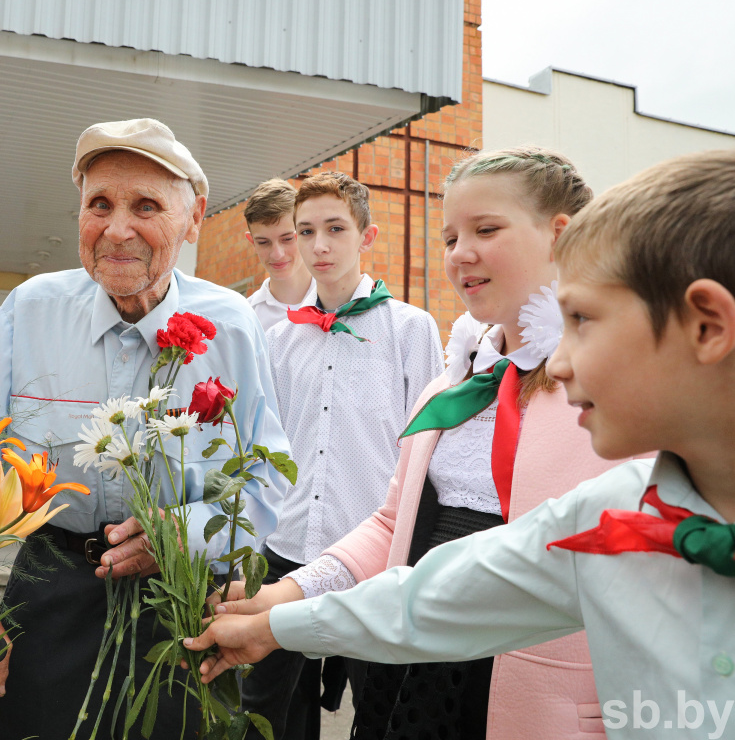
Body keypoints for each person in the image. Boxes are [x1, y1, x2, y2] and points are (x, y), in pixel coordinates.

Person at [189, 150, 735, 738]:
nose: (565, 361)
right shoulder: (464, 390)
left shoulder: (631, 441)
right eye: (450, 236)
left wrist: (285, 622)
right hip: (422, 667)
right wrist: (285, 604)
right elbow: (428, 568)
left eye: (586, 319)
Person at [0, 117, 291, 740]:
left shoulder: (230, 323)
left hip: (184, 602)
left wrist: (187, 534)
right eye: (99, 204)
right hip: (49, 594)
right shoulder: (30, 310)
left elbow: (266, 474)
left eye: (146, 206)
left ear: (193, 220)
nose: (117, 229)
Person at [242, 171, 442, 740]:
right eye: (306, 231)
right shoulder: (278, 340)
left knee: (379, 714)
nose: (319, 246)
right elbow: (267, 451)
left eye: (335, 228)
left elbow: (428, 453)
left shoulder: (410, 329)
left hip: (372, 557)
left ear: (367, 236)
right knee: (270, 714)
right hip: (285, 551)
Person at [244, 178, 316, 331]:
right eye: (263, 242)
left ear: (306, 233)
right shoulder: (247, 317)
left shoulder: (339, 303)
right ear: (252, 242)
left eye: (287, 239)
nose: (277, 254)